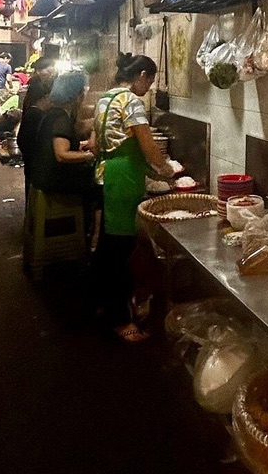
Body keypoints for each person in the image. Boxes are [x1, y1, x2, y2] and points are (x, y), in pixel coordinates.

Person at [90, 53, 177, 343]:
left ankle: (102, 303)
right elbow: (148, 146)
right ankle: (120, 320)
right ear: (140, 74)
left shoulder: (106, 99)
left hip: (105, 174)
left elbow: (93, 143)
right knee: (121, 250)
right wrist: (167, 171)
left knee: (106, 245)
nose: (149, 87)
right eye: (149, 80)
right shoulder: (130, 101)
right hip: (124, 178)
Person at [30, 71, 96, 197]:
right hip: (54, 182)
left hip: (42, 177)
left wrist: (83, 144)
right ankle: (88, 216)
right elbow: (62, 154)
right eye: (83, 91)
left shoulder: (53, 113)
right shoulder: (61, 118)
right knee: (97, 183)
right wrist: (89, 155)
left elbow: (58, 142)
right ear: (77, 95)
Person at [16, 62, 56, 209]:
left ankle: (31, 216)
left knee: (31, 188)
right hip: (34, 160)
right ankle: (34, 217)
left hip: (31, 159)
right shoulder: (35, 113)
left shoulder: (34, 111)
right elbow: (24, 140)